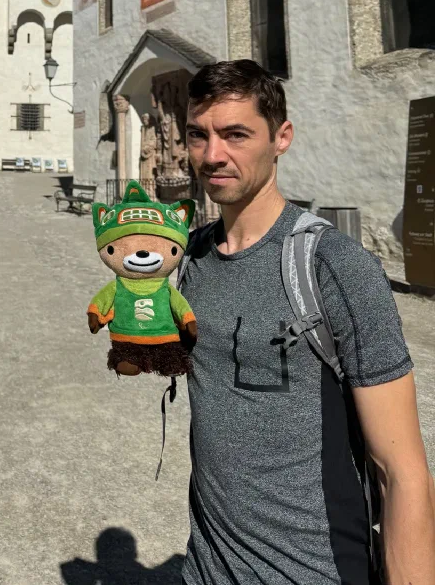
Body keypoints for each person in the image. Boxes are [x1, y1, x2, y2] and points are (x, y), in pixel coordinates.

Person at [179, 59, 435, 585]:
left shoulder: (335, 267)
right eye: (197, 135)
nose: (213, 155)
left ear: (282, 137)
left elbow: (401, 471)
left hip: (310, 570)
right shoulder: (193, 260)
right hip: (204, 569)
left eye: (235, 134)